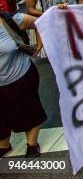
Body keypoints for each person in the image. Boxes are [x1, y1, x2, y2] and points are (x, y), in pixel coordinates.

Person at [0, 11, 46, 158]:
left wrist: (38, 48)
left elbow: (41, 22)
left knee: (29, 111)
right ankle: (3, 146)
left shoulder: (12, 20)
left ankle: (32, 145)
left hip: (21, 75)